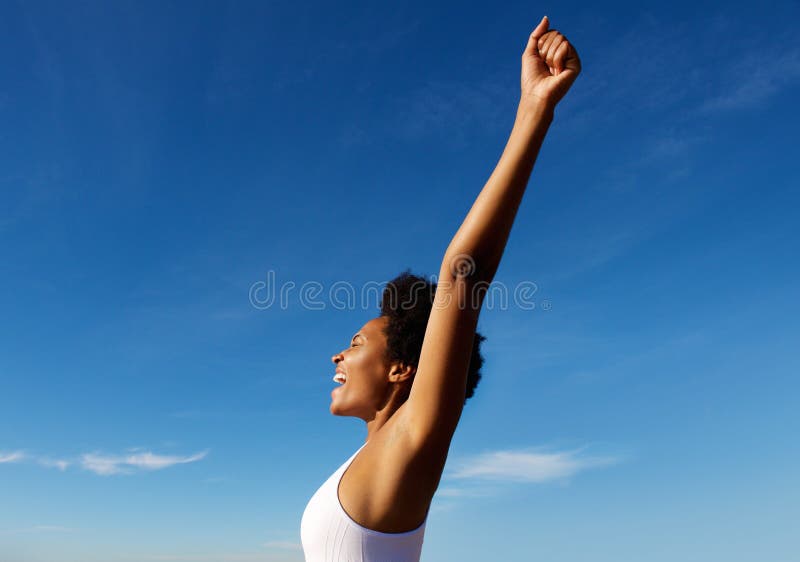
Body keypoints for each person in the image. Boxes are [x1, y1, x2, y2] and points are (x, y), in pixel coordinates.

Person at [300, 15, 581, 561]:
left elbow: (462, 272)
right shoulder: (369, 461)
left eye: (358, 344)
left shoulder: (410, 446)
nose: (338, 352)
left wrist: (535, 108)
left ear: (403, 369)